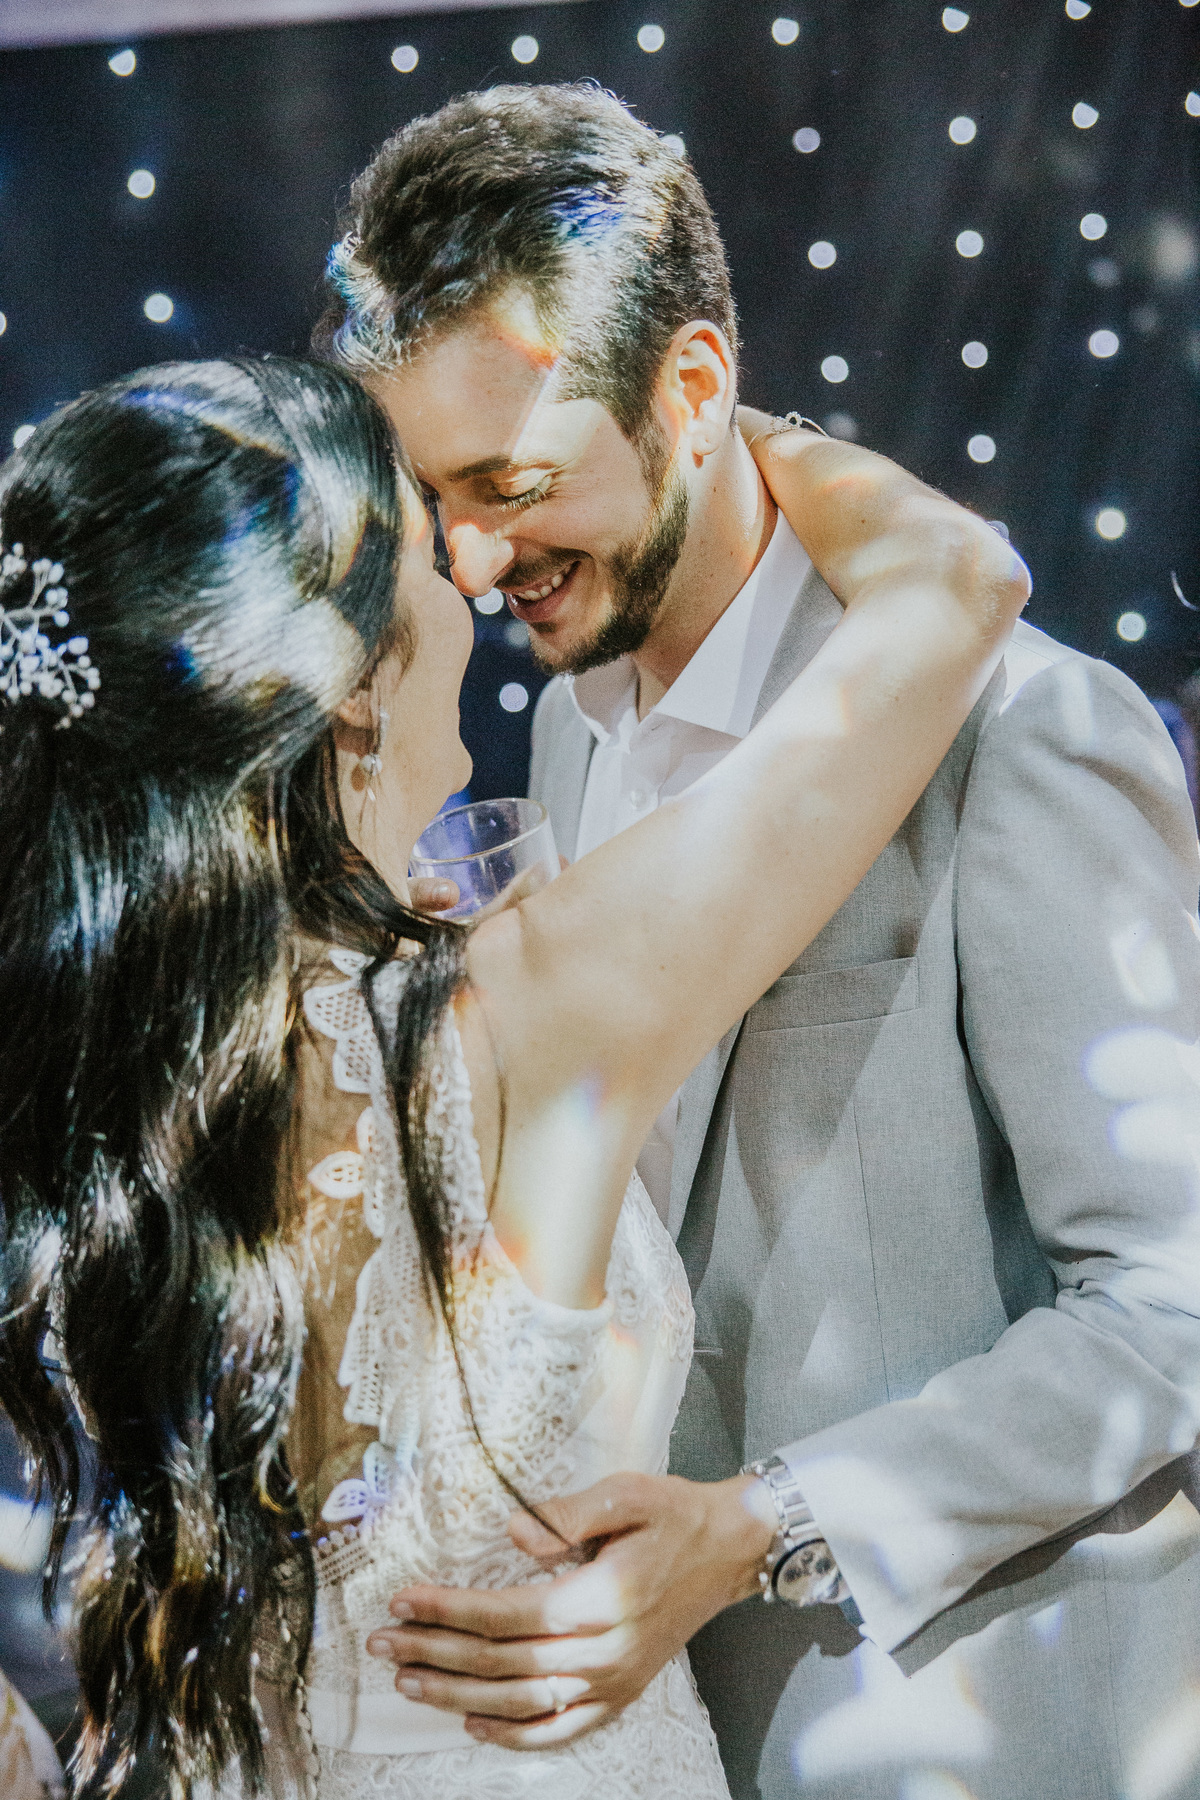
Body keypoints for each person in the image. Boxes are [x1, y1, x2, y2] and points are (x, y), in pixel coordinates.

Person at [324, 84, 1200, 1800]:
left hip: (971, 1726)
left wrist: (765, 1527)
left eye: (510, 482)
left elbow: (1175, 1303)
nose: (477, 559)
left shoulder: (1024, 734)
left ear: (697, 389)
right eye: (439, 500)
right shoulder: (574, 725)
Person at [0, 352, 1022, 1800]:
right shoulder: (526, 1003)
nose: (473, 581)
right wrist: (710, 422)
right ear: (352, 690)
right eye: (427, 556)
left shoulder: (78, 1080)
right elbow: (956, 587)